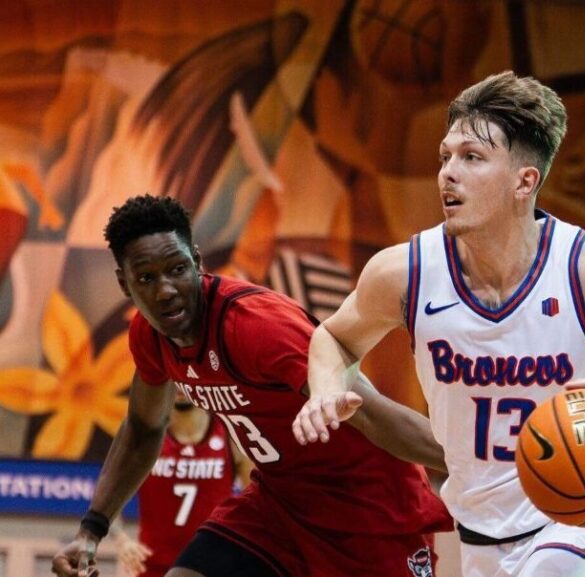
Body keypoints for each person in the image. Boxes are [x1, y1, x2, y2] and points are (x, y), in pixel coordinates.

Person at [293, 70, 585, 577]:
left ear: (524, 181)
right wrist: (324, 390)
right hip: (482, 542)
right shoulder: (405, 272)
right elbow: (334, 338)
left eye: (471, 157)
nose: (448, 173)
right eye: (445, 156)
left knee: (555, 568)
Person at [51, 194, 452, 577]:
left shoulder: (256, 328)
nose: (166, 290)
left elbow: (375, 415)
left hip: (368, 505)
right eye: (146, 278)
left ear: (196, 261)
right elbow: (142, 429)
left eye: (176, 269)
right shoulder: (149, 336)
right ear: (125, 284)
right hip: (280, 504)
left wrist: (477, 464)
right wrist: (91, 530)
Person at [111, 389, 253, 577]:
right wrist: (122, 541)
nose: (179, 386)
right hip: (151, 567)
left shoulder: (229, 433)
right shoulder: (145, 435)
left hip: (210, 566)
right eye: (174, 379)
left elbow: (255, 503)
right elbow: (108, 497)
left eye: (184, 380)